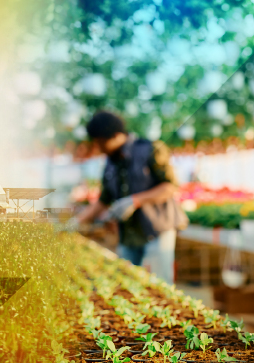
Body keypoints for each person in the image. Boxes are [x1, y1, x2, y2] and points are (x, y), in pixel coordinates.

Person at [73, 110, 185, 283]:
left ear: (116, 135)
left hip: (157, 229)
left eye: (101, 142)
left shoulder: (150, 149)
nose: (99, 147)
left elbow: (170, 187)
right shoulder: (110, 163)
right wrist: (76, 223)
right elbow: (104, 200)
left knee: (159, 284)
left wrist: (136, 201)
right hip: (129, 234)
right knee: (126, 283)